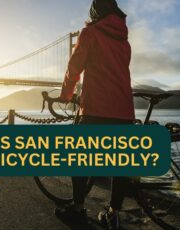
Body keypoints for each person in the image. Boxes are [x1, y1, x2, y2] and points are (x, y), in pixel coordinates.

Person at [55, 0, 135, 229]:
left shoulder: (89, 33)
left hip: (96, 109)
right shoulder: (124, 41)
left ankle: (78, 210)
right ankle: (113, 214)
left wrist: (66, 94)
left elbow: (74, 67)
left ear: (95, 11)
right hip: (124, 110)